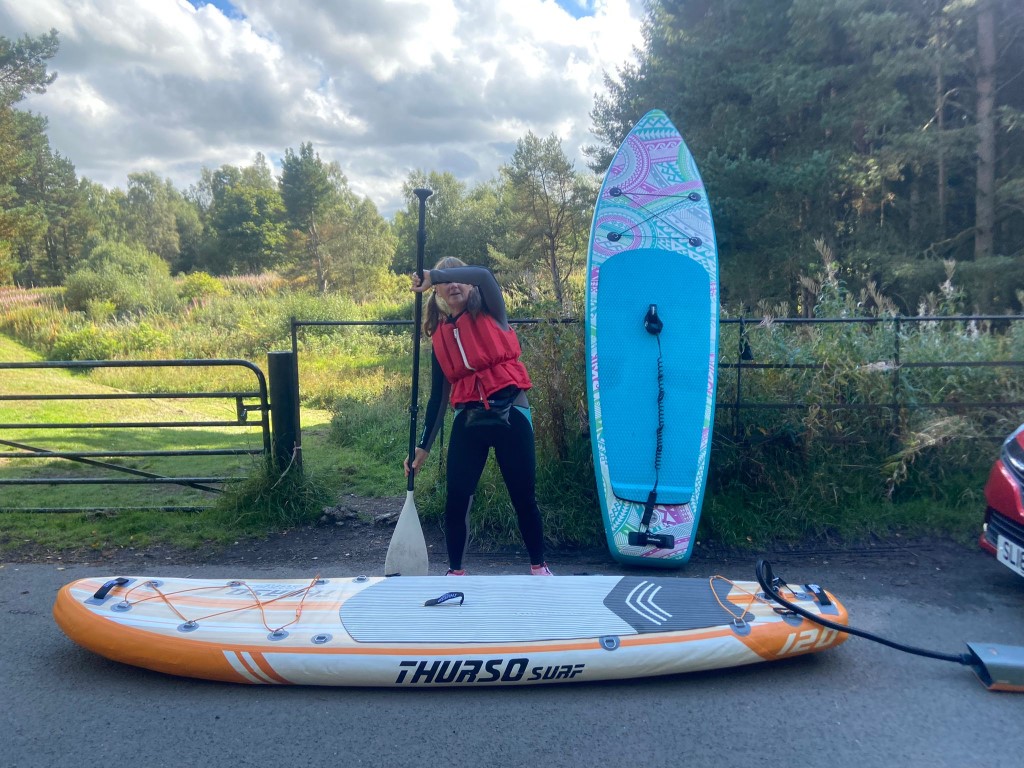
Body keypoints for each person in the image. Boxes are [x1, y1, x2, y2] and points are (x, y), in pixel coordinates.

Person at [404, 257, 553, 576]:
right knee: (457, 497)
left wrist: (435, 274)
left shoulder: (492, 312)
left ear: (471, 287)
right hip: (469, 419)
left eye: (458, 278)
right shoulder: (440, 337)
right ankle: (455, 571)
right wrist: (422, 448)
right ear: (438, 294)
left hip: (510, 409)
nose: (453, 284)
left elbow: (484, 274)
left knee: (523, 496)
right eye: (446, 282)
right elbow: (437, 398)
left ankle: (539, 568)